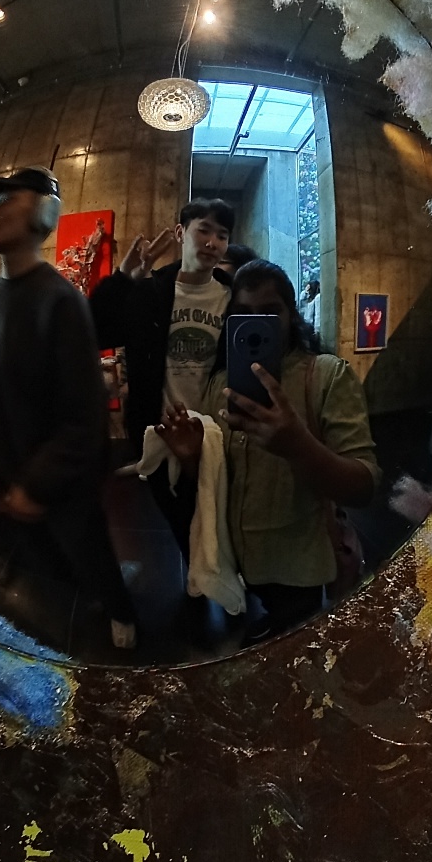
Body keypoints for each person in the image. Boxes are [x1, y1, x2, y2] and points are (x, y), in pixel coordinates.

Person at [158, 260, 379, 639]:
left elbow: (365, 486)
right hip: (239, 559)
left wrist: (297, 446)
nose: (256, 322)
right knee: (268, 617)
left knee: (295, 636)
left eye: (270, 311)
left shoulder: (326, 376)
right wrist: (192, 456)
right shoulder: (221, 384)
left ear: (291, 314)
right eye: (244, 313)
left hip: (299, 565)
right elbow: (213, 473)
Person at [0, 165, 136, 650]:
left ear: (44, 212)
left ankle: (122, 612)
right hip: (12, 482)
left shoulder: (61, 300)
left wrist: (36, 484)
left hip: (63, 484)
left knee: (92, 555)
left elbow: (83, 416)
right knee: (51, 572)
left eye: (9, 200)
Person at [90, 198, 236, 559]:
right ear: (181, 233)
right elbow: (95, 331)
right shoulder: (149, 292)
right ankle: (195, 576)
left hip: (217, 435)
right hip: (159, 433)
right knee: (181, 525)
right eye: (203, 230)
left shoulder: (234, 297)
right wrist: (123, 278)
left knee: (222, 524)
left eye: (222, 235)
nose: (212, 242)